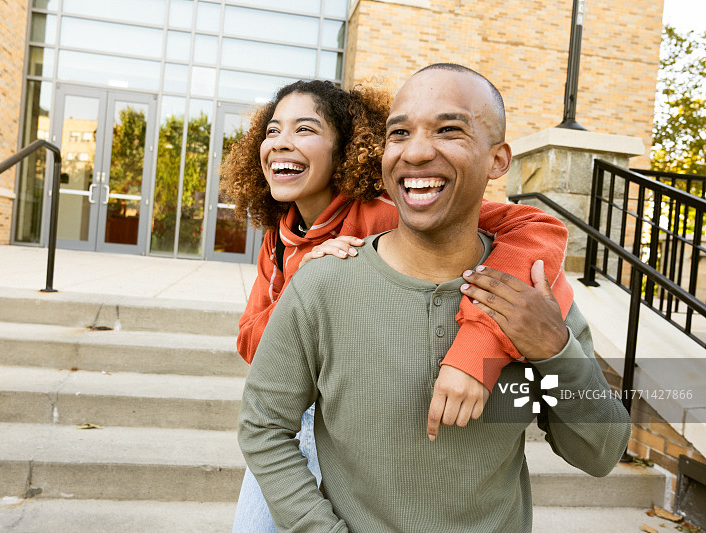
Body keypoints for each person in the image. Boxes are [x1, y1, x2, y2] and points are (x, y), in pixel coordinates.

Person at [237, 64, 631, 532]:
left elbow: (601, 452)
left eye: (449, 130)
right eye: (399, 133)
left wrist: (554, 349)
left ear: (498, 160)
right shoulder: (321, 282)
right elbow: (263, 427)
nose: (418, 151)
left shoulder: (533, 294)